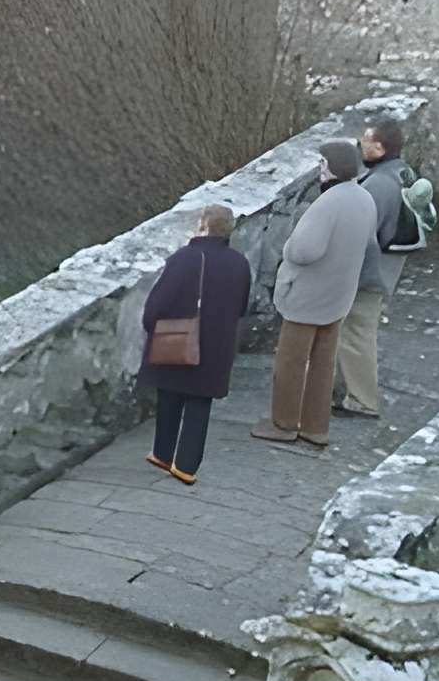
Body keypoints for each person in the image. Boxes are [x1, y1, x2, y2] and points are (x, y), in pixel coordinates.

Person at [255, 139, 374, 450]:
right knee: (323, 361)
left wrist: (289, 248)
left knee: (291, 361)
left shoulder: (328, 202)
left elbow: (305, 250)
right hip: (339, 294)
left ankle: (284, 424)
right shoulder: (364, 198)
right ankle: (315, 426)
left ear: (330, 168)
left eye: (322, 164)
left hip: (309, 297)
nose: (320, 171)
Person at [141, 202, 253, 484]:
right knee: (199, 403)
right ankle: (187, 466)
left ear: (202, 225)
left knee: (169, 393)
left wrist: (151, 328)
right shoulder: (240, 263)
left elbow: (158, 303)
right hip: (217, 345)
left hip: (180, 340)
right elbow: (242, 306)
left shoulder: (184, 258)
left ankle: (162, 453)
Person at [335, 118, 413, 421]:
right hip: (386, 270)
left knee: (357, 336)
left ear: (379, 148)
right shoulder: (403, 173)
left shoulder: (378, 184)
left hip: (368, 275)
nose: (360, 145)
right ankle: (344, 393)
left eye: (365, 141)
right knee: (353, 334)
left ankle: (362, 400)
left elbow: (361, 233)